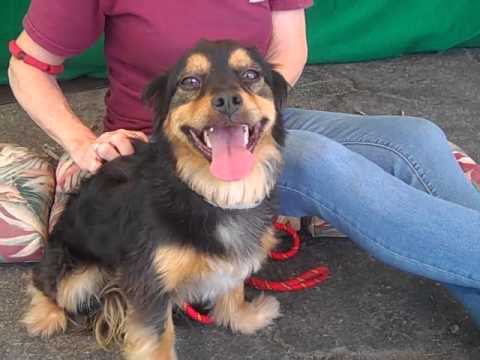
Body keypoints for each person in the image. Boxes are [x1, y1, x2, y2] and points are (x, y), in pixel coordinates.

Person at [8, 0, 480, 327]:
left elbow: (287, 51)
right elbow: (27, 65)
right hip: (168, 140)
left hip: (252, 118)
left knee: (415, 136)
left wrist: (258, 113)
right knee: (318, 160)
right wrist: (82, 143)